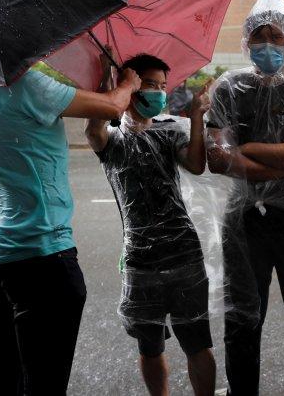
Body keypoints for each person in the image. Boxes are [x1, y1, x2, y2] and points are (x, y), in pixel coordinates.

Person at [0, 64, 141, 395]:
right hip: (40, 254)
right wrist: (129, 83)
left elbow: (95, 111)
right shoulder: (28, 84)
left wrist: (103, 85)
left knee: (1, 373)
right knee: (44, 383)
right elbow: (113, 107)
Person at [205, 0, 284, 396]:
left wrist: (251, 150)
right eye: (259, 36)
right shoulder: (230, 88)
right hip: (244, 224)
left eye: (275, 36)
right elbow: (217, 160)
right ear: (246, 41)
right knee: (242, 319)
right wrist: (283, 159)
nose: (267, 45)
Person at [85, 53, 216, 396]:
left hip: (183, 255)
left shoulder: (169, 130)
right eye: (150, 84)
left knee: (197, 342)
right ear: (131, 86)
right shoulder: (112, 138)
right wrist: (107, 86)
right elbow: (93, 130)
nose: (159, 92)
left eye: (163, 86)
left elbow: (197, 164)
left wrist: (198, 115)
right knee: (150, 346)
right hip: (140, 263)